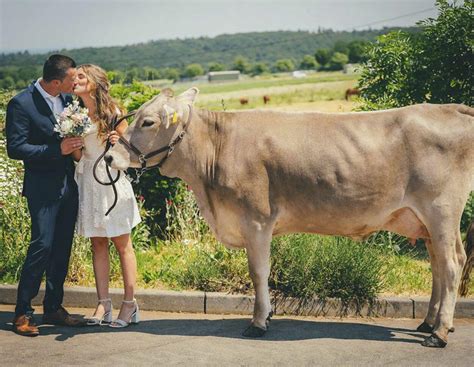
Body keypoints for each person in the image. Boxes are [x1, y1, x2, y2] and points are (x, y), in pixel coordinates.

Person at [6, 54, 86, 337]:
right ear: (55, 82)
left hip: (68, 185)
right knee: (41, 246)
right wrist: (57, 151)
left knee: (62, 247)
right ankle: (22, 313)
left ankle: (53, 306)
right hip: (41, 188)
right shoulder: (21, 103)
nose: (75, 82)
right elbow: (15, 149)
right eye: (71, 78)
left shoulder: (68, 101)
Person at [72, 64, 141, 328]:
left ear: (95, 82)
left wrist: (118, 140)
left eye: (81, 76)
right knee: (98, 244)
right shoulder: (74, 113)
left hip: (110, 180)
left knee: (122, 245)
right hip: (87, 180)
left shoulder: (113, 112)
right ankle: (103, 303)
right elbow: (78, 156)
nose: (75, 80)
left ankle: (130, 304)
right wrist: (73, 145)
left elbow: (131, 151)